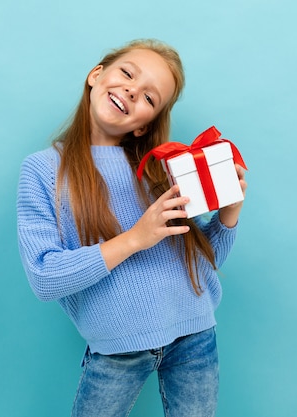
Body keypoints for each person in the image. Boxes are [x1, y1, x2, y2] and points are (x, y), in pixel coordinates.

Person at [16, 39, 247, 417]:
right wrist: (136, 238)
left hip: (196, 337)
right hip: (116, 348)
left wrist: (229, 215)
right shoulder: (43, 170)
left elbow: (202, 261)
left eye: (149, 98)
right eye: (127, 73)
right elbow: (44, 276)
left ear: (145, 126)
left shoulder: (159, 169)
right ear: (96, 74)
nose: (131, 91)